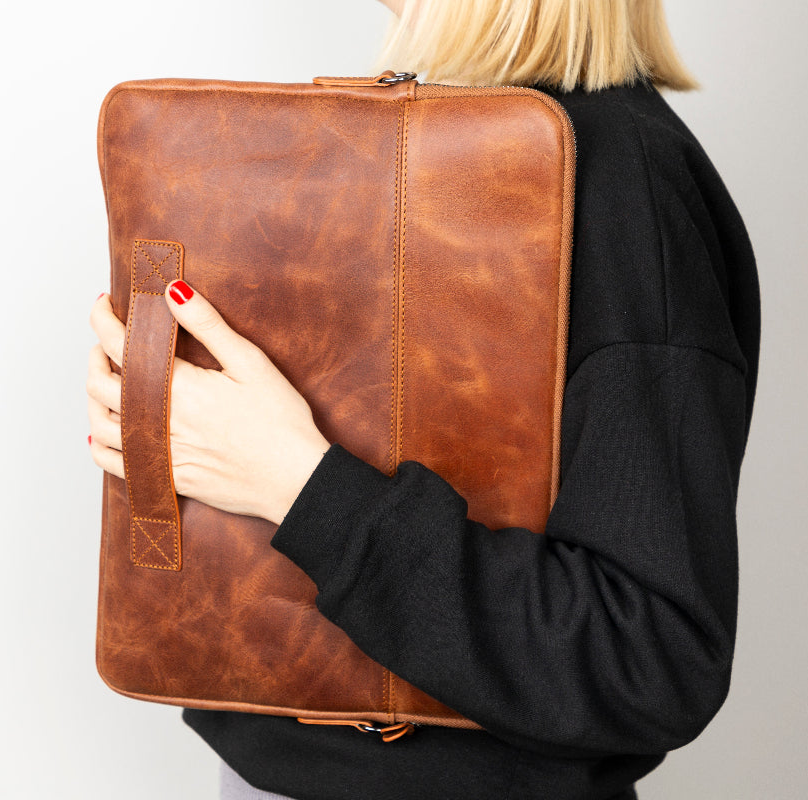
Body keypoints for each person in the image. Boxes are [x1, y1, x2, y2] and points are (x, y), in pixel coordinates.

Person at [86, 0, 761, 797]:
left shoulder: (622, 180)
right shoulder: (434, 137)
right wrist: (167, 417)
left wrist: (299, 487)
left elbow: (650, 662)